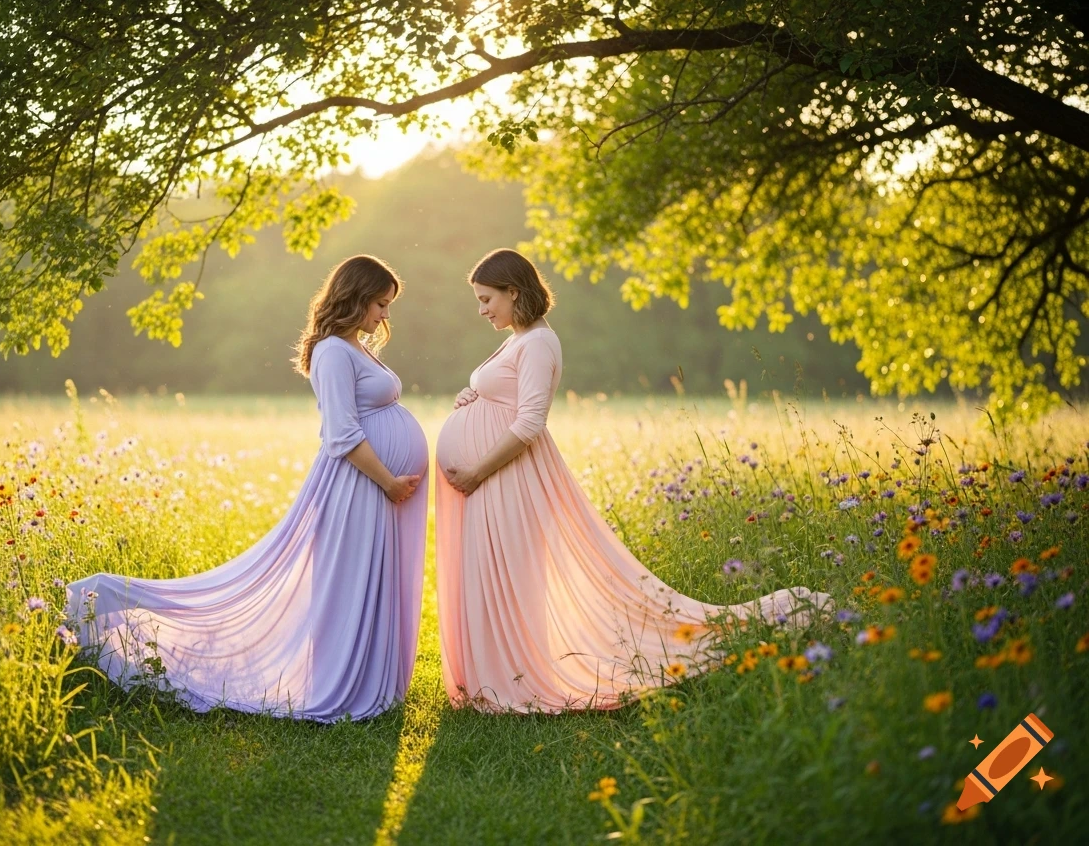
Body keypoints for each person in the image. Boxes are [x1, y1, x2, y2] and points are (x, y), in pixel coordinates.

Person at [435, 248, 829, 713]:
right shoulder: (518, 338)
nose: (482, 310)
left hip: (506, 478)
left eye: (486, 300)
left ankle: (513, 678)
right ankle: (494, 676)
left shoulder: (539, 342)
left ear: (513, 292)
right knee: (496, 577)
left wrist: (478, 470)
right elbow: (505, 393)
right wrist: (474, 393)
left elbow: (529, 423)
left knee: (513, 579)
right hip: (492, 480)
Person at [66, 255, 428, 722]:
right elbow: (341, 433)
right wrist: (389, 481)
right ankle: (106, 599)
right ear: (356, 298)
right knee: (346, 584)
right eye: (380, 304)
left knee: (364, 582)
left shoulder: (356, 347)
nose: (385, 316)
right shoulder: (334, 351)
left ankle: (366, 679)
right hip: (358, 486)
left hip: (376, 488)